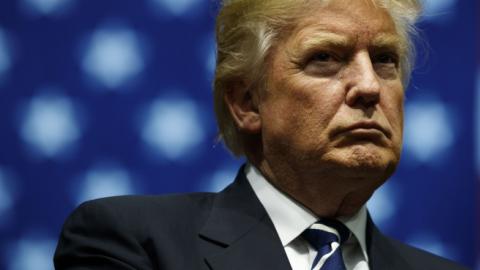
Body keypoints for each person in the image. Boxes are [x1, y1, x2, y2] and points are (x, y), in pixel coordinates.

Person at [54, 0, 468, 269]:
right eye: (324, 58)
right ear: (248, 104)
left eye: (384, 60)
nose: (369, 86)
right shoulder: (132, 244)